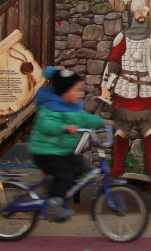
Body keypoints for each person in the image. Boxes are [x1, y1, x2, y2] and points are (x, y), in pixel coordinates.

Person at [30, 67, 108, 221]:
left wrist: (105, 122)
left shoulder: (73, 108)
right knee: (64, 174)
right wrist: (64, 128)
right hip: (45, 152)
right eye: (76, 90)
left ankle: (55, 191)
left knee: (79, 165)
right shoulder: (50, 107)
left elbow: (85, 119)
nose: (80, 94)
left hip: (60, 152)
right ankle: (54, 205)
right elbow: (46, 125)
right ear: (65, 92)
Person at [102, 0, 151, 179]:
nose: (141, 14)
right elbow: (113, 62)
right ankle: (118, 166)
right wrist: (106, 87)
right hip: (125, 90)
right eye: (137, 11)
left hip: (147, 92)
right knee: (121, 131)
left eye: (143, 11)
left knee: (150, 132)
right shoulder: (123, 37)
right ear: (133, 14)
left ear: (147, 12)